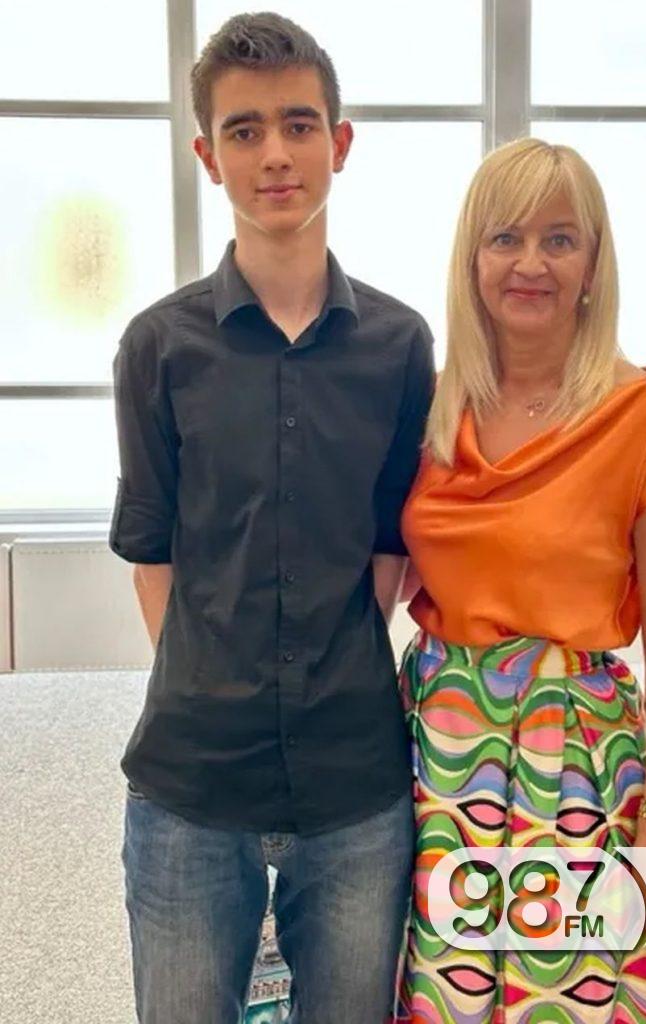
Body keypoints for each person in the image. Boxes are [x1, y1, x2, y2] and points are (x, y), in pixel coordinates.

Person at [109, 12, 434, 1024]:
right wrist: (222, 687)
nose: (276, 154)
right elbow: (154, 555)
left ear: (340, 142)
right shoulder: (158, 347)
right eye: (243, 131)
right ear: (208, 157)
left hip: (354, 784)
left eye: (299, 124)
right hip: (191, 783)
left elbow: (388, 549)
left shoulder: (399, 345)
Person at [393, 137, 646, 1024]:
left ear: (593, 264)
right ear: (472, 260)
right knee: (436, 988)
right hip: (433, 757)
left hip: (573, 762)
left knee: (565, 989)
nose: (530, 263)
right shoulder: (429, 408)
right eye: (505, 238)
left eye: (559, 239)